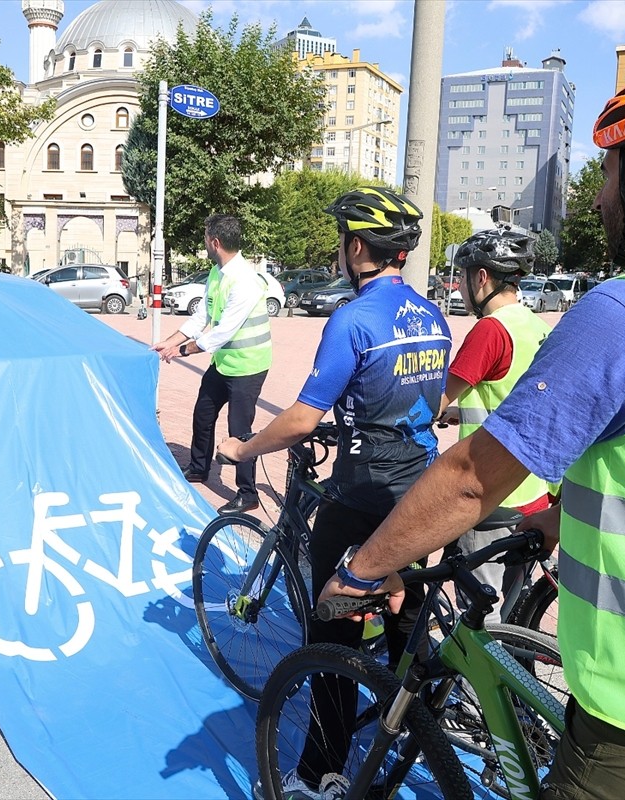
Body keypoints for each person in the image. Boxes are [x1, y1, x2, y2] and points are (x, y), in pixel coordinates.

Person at [319, 61, 625, 799]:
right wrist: (559, 518)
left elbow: (468, 478)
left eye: (606, 173)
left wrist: (361, 570)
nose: (598, 197)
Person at [218, 187, 451, 799]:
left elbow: (299, 418)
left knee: (332, 631)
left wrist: (242, 449)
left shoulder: (353, 317)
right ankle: (410, 724)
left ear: (356, 247)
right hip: (418, 484)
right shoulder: (431, 313)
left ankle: (322, 770)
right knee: (403, 612)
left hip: (361, 488)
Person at [436, 228, 553, 624]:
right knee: (512, 612)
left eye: (464, 277)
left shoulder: (490, 329)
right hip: (535, 494)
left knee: (478, 619)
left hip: (492, 497)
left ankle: (475, 688)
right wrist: (461, 415)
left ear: (481, 277)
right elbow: (511, 395)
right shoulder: (537, 327)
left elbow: (437, 398)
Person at [152, 214, 272, 515]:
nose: (204, 242)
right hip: (224, 363)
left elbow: (221, 333)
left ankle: (248, 494)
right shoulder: (217, 273)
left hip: (248, 366)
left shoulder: (245, 281)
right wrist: (170, 340)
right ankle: (199, 468)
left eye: (206, 237)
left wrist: (183, 350)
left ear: (214, 242)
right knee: (203, 414)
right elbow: (202, 318)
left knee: (240, 432)